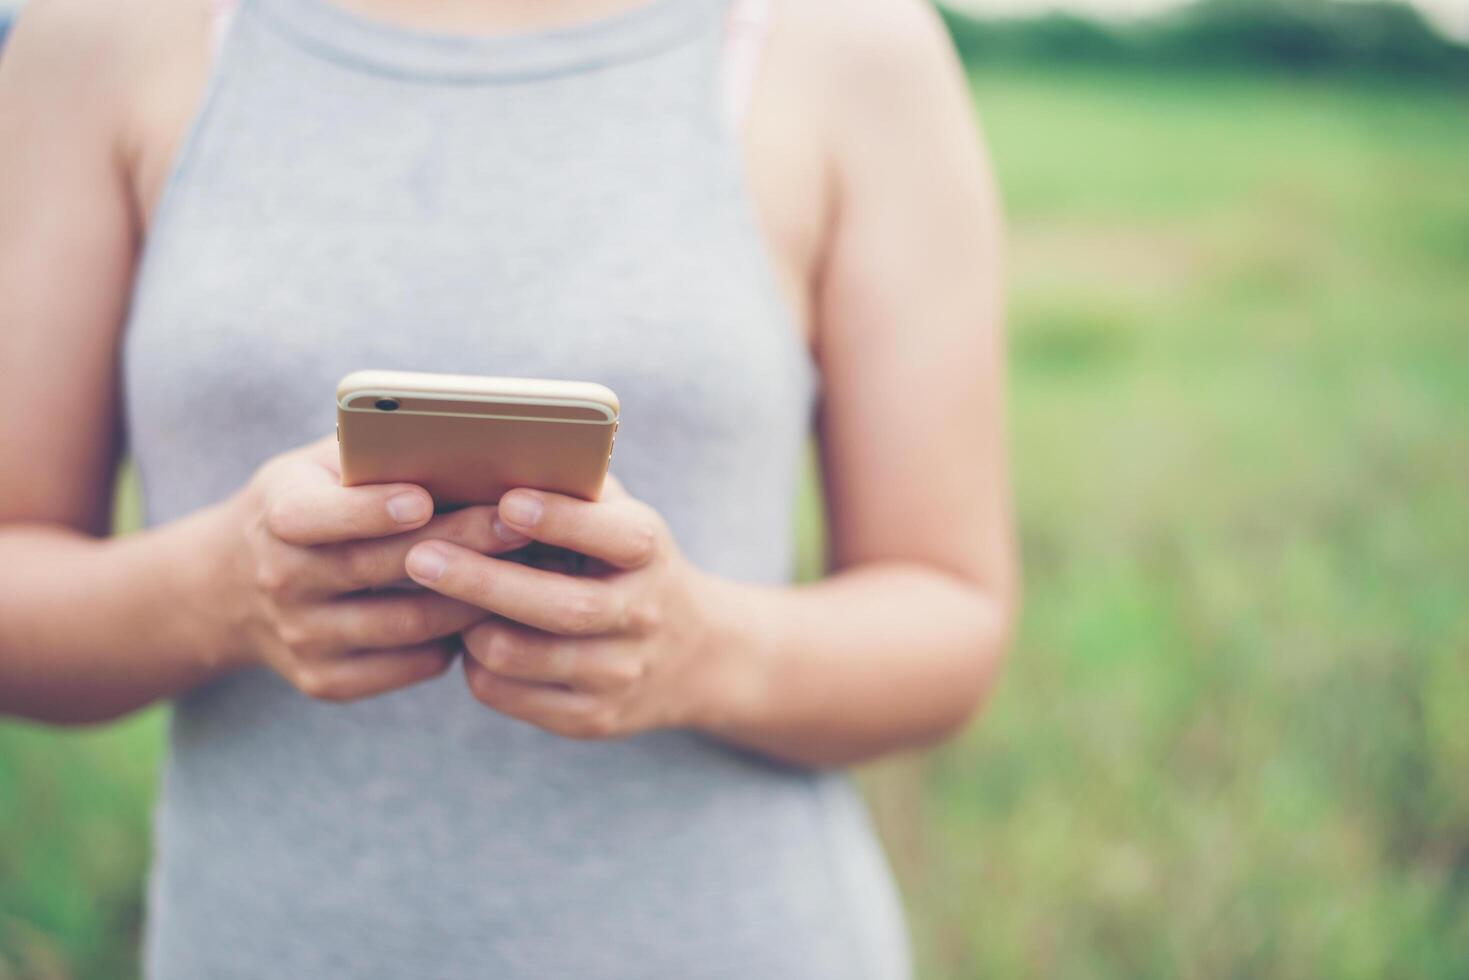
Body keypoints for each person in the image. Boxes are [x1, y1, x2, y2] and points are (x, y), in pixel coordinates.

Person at [0, 0, 1016, 975]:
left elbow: (948, 609)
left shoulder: (849, 43)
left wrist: (698, 649)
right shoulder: (94, 33)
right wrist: (216, 591)